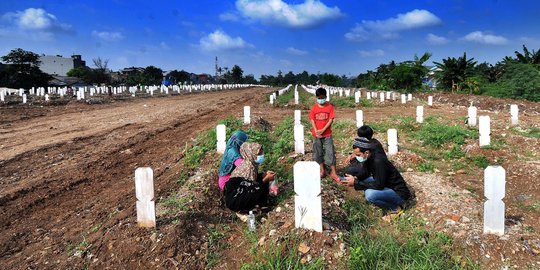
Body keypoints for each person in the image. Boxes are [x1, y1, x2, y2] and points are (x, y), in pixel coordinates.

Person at [341, 137, 411, 215]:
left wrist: (356, 183)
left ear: (366, 153)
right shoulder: (369, 157)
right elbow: (365, 173)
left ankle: (395, 207)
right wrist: (356, 178)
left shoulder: (378, 162)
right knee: (364, 181)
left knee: (370, 195)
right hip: (386, 184)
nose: (357, 157)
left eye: (358, 155)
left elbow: (379, 185)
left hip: (398, 193)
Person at [224, 142, 276, 212]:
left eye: (261, 153)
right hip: (235, 200)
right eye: (259, 154)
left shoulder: (251, 166)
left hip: (242, 193)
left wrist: (264, 175)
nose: (261, 156)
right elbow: (251, 188)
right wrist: (265, 179)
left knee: (261, 181)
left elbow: (254, 181)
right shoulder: (247, 168)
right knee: (259, 186)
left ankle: (261, 204)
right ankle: (249, 207)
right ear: (251, 154)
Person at [309, 87, 340, 182]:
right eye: (319, 98)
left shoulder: (330, 107)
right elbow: (312, 119)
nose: (320, 99)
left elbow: (331, 120)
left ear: (326, 97)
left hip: (327, 134)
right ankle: (322, 170)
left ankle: (333, 172)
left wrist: (322, 130)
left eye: (322, 97)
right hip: (316, 135)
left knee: (330, 152)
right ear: (316, 97)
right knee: (318, 152)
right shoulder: (314, 108)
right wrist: (316, 130)